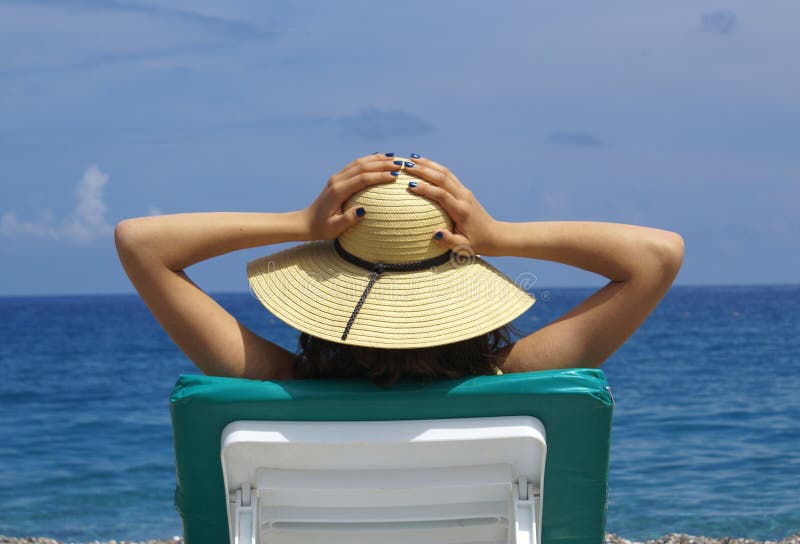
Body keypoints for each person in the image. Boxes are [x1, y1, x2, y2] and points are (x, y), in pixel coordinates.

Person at [115, 153, 683, 386]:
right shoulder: (511, 379)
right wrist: (499, 236)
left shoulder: (280, 386)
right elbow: (657, 256)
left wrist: (301, 223)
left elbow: (140, 243)